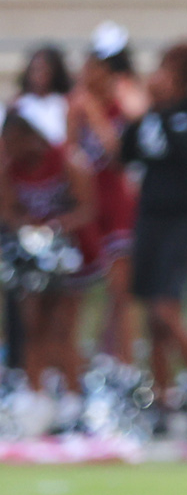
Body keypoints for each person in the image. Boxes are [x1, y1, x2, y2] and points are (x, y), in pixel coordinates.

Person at [124, 41, 187, 409]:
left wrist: (162, 113)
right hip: (150, 215)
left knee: (166, 308)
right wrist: (140, 116)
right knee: (151, 315)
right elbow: (126, 154)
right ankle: (162, 394)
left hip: (182, 218)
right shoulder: (148, 112)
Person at [0, 96, 99, 432]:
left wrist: (55, 229)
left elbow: (87, 208)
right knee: (33, 325)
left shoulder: (67, 161)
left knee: (63, 327)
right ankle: (35, 397)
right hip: (32, 257)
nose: (8, 149)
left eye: (12, 142)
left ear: (30, 138)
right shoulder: (9, 169)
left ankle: (73, 399)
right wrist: (29, 231)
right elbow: (8, 210)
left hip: (70, 253)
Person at [67, 25, 145, 363]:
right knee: (76, 291)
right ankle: (79, 363)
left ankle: (122, 360)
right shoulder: (76, 103)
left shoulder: (122, 99)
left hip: (117, 201)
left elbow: (117, 153)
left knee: (121, 290)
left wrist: (94, 111)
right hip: (87, 202)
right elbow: (69, 153)